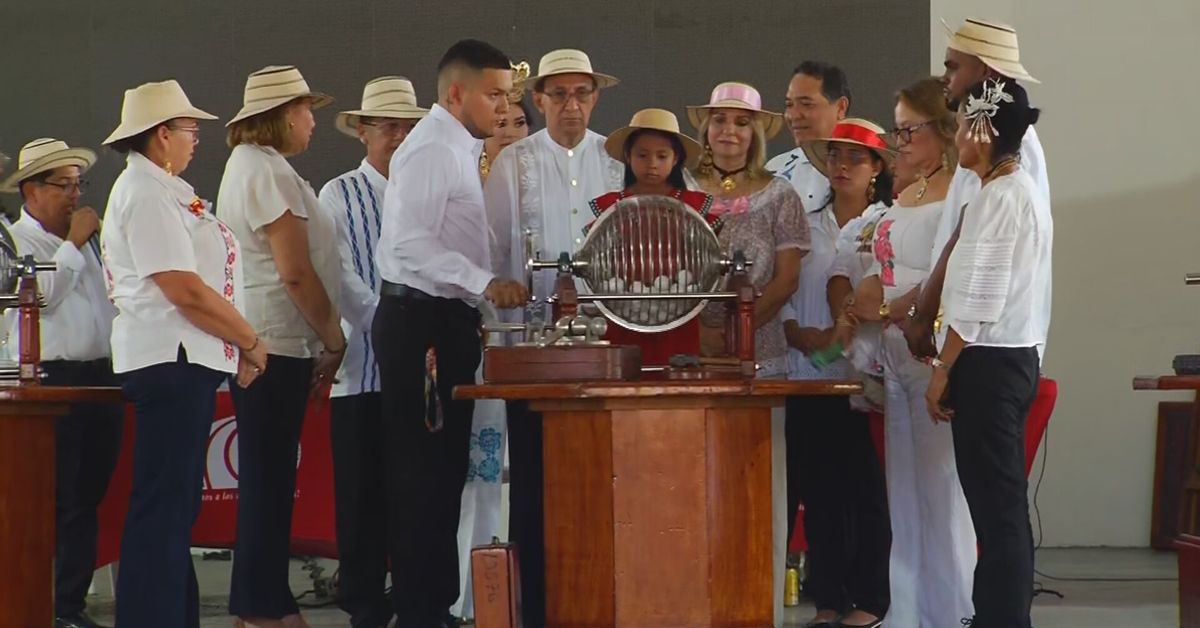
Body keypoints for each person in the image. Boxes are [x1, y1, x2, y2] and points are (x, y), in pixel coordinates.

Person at [100, 79, 266, 627]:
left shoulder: (164, 189)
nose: (197, 139)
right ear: (162, 135)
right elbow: (182, 287)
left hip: (186, 360)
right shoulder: (144, 193)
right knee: (164, 506)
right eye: (190, 129)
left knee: (174, 506)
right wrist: (249, 337)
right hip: (169, 359)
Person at [373, 39, 528, 628]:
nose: (500, 108)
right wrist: (485, 282)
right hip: (422, 325)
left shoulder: (458, 146)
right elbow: (410, 245)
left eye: (506, 97)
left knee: (439, 473)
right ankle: (420, 610)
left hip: (442, 320)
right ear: (455, 92)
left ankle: (430, 604)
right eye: (492, 95)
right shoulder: (434, 148)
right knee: (423, 473)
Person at [482, 47, 622, 627]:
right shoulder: (513, 162)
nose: (571, 104)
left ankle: (602, 598)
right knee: (535, 483)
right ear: (537, 100)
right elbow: (490, 252)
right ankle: (538, 607)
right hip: (532, 349)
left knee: (602, 477)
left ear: (595, 98)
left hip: (604, 348)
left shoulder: (616, 163)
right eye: (558, 93)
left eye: (581, 93)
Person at [840, 80, 975, 627]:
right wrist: (868, 292)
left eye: (908, 130)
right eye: (896, 129)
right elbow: (883, 263)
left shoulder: (960, 192)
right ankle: (911, 611)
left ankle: (953, 611)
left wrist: (895, 308)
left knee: (942, 489)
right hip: (893, 352)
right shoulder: (907, 193)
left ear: (943, 132)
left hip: (931, 347)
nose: (899, 141)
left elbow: (953, 271)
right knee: (905, 488)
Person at [217, 65, 343, 628]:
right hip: (275, 344)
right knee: (268, 482)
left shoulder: (261, 167)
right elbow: (294, 272)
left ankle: (262, 600)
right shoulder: (263, 171)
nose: (312, 121)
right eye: (305, 110)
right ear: (281, 117)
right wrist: (333, 335)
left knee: (269, 481)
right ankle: (261, 605)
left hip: (274, 342)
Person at [926, 79, 1051, 628]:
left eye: (958, 125)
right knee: (999, 506)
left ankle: (1001, 620)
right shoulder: (1015, 190)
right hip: (1011, 357)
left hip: (989, 362)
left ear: (982, 130)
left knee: (997, 510)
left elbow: (979, 299)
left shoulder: (1000, 197)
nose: (955, 138)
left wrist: (942, 367)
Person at [688, 81, 810, 628]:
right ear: (705, 129)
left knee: (761, 473)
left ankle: (758, 592)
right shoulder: (684, 186)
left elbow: (786, 279)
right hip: (690, 349)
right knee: (695, 470)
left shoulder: (780, 194)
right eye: (720, 121)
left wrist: (740, 329)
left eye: (741, 122)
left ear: (757, 131)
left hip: (760, 349)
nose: (729, 132)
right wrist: (699, 333)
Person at [318, 75, 428, 628]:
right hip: (362, 370)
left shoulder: (429, 191)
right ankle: (363, 605)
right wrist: (389, 327)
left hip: (421, 375)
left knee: (415, 497)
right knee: (361, 498)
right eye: (389, 126)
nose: (401, 137)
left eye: (410, 127)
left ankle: (415, 601)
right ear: (362, 131)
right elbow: (336, 275)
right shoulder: (337, 194)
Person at [0, 138, 118, 628]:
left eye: (78, 185)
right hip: (47, 381)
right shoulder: (14, 240)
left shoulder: (86, 239)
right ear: (31, 190)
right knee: (55, 499)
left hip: (100, 378)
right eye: (63, 185)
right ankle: (43, 604)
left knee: (87, 498)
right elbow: (38, 299)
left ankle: (70, 604)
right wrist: (72, 245)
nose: (75, 195)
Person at [784, 118, 895, 628]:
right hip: (808, 371)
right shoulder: (804, 222)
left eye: (855, 157)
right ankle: (827, 599)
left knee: (867, 490)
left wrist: (838, 334)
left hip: (869, 374)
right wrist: (799, 334)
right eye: (834, 156)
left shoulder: (889, 222)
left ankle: (871, 599)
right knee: (819, 490)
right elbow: (781, 284)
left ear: (877, 168)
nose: (842, 166)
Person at [907, 18, 1049, 361]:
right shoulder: (982, 142)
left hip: (988, 345)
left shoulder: (1004, 146)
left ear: (985, 73)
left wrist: (923, 315)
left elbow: (969, 239)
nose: (944, 77)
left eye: (953, 67)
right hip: (977, 344)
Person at [454, 61, 535, 623]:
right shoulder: (460, 180)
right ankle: (471, 589)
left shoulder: (538, 183)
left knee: (529, 472)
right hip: (478, 339)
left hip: (538, 344)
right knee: (479, 472)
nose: (508, 131)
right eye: (499, 120)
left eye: (518, 122)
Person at [587, 108, 716, 362]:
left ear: (676, 158)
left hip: (682, 315)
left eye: (661, 155)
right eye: (643, 155)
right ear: (628, 156)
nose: (652, 164)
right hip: (621, 314)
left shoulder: (693, 206)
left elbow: (710, 258)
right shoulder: (611, 207)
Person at [766, 60, 850, 210]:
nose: (793, 116)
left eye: (806, 104)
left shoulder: (863, 172)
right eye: (789, 105)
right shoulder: (775, 170)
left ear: (841, 108)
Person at [479, 61, 533, 183]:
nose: (510, 133)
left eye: (519, 124)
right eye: (501, 124)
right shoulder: (465, 178)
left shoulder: (543, 177)